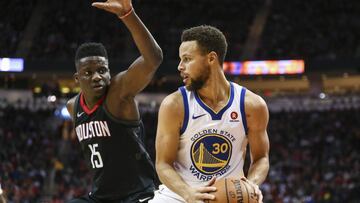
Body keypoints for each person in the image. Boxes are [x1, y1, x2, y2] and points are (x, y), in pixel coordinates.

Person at [151, 25, 269, 203]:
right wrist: (189, 194)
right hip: (179, 196)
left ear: (211, 58)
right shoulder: (174, 105)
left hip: (231, 195)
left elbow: (261, 158)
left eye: (187, 59)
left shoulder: (252, 105)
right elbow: (162, 164)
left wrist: (251, 185)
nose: (180, 66)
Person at [66, 0, 163, 202]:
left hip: (137, 194)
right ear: (77, 79)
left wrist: (128, 15)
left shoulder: (119, 93)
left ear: (110, 72)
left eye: (102, 70)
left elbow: (153, 59)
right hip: (101, 196)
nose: (96, 77)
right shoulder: (72, 106)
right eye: (88, 72)